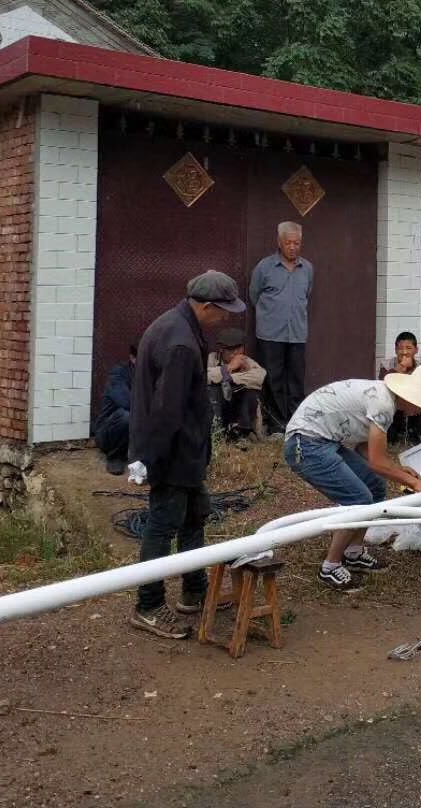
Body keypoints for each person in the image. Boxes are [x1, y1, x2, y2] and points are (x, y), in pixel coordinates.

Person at [127, 270, 246, 640]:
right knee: (163, 525)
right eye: (223, 311)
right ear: (206, 306)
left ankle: (194, 590)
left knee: (195, 516)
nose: (226, 318)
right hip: (174, 453)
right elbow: (167, 412)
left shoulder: (178, 326)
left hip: (186, 450)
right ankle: (148, 605)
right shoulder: (180, 343)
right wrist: (151, 461)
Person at [284, 366, 421, 592]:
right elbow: (376, 461)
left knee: (375, 486)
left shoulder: (385, 399)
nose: (420, 411)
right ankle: (330, 566)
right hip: (305, 442)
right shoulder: (384, 405)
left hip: (325, 441)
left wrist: (399, 470)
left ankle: (353, 552)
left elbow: (366, 450)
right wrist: (412, 482)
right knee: (358, 499)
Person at [250, 221, 314, 432]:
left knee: (296, 380)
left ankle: (296, 423)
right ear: (279, 242)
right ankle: (277, 426)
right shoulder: (265, 267)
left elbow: (307, 294)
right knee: (273, 380)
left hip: (297, 333)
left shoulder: (307, 268)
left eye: (297, 243)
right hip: (270, 334)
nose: (293, 247)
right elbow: (254, 294)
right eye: (289, 243)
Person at [208, 327, 265, 442]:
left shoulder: (246, 361)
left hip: (239, 411)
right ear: (221, 349)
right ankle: (217, 432)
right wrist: (229, 368)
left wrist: (227, 377)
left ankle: (242, 433)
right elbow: (204, 376)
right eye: (230, 349)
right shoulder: (212, 358)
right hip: (220, 407)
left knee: (248, 391)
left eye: (239, 348)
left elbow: (260, 376)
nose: (235, 353)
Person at [379, 331, 421, 448]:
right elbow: (383, 386)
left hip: (415, 407)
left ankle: (413, 429)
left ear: (416, 350)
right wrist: (401, 367)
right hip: (394, 408)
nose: (404, 352)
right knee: (391, 439)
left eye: (409, 348)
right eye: (400, 348)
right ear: (396, 350)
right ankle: (395, 429)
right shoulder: (387, 365)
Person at [94, 344, 136, 476]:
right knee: (126, 416)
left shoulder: (152, 374)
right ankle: (115, 457)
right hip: (108, 434)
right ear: (132, 358)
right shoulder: (118, 374)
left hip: (134, 436)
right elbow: (126, 402)